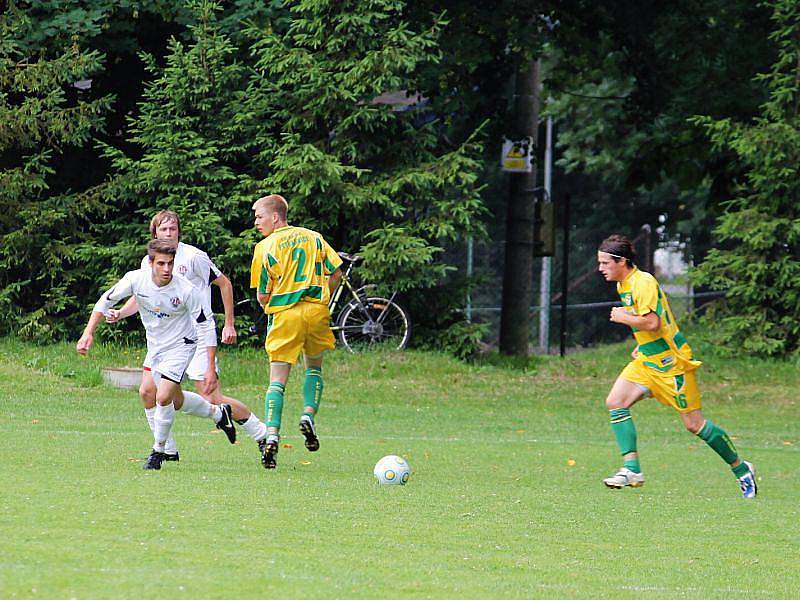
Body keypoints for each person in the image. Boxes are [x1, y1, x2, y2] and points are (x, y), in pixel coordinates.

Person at [597, 234, 757, 498]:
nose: (601, 268)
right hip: (647, 361)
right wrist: (642, 344)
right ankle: (631, 469)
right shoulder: (623, 284)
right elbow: (650, 325)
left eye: (605, 263)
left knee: (694, 424)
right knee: (616, 402)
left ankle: (741, 469)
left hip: (672, 365)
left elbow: (652, 323)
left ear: (621, 261)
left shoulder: (642, 282)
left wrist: (623, 317)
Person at [113, 210, 268, 465]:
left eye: (173, 229)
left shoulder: (195, 257)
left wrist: (229, 324)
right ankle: (167, 449)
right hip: (166, 341)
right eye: (164, 229)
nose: (169, 233)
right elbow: (141, 297)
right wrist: (120, 313)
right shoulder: (149, 261)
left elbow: (225, 284)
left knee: (212, 397)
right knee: (151, 392)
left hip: (195, 337)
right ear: (155, 234)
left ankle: (262, 434)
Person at [76, 239, 238, 470]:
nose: (167, 269)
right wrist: (88, 333)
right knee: (154, 394)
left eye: (170, 263)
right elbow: (106, 300)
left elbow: (205, 327)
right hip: (156, 347)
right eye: (161, 263)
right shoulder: (135, 279)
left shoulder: (186, 289)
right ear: (150, 263)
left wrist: (210, 366)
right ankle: (217, 413)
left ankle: (159, 451)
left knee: (163, 397)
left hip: (182, 346)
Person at [251, 194, 342, 469]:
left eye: (259, 216)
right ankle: (307, 416)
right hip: (316, 311)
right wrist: (324, 297)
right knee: (314, 368)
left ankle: (272, 435)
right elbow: (336, 272)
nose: (256, 222)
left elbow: (263, 296)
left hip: (285, 315)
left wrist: (274, 299)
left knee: (277, 381)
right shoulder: (313, 237)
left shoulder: (265, 247)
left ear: (275, 217)